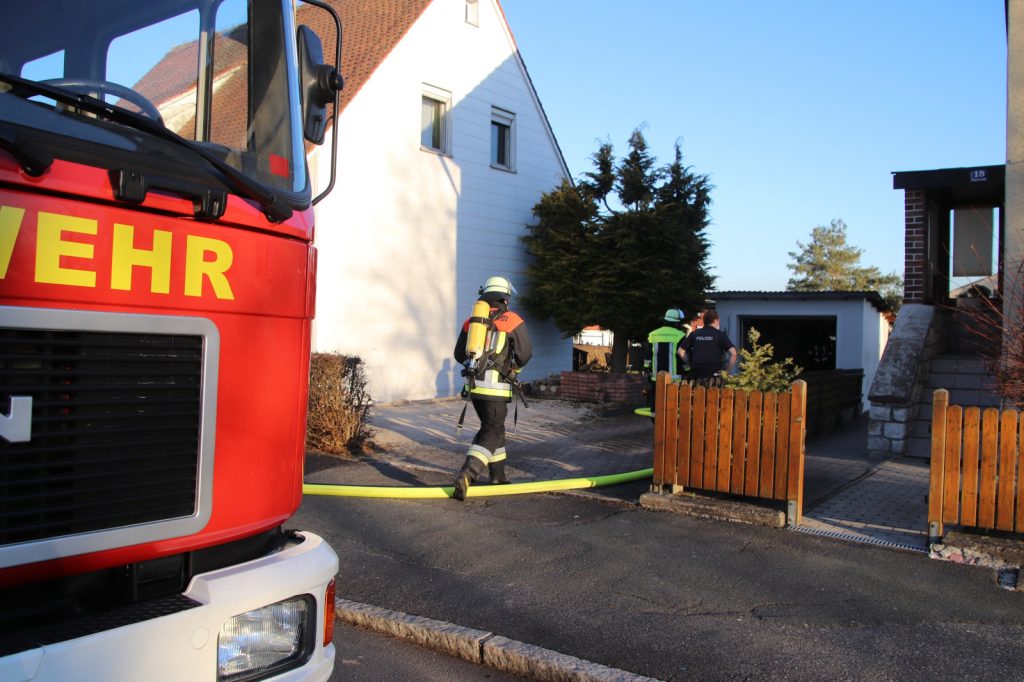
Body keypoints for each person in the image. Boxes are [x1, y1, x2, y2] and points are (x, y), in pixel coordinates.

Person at [451, 275, 532, 501]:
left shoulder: (472, 321)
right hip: (496, 389)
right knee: (492, 431)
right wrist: (513, 367)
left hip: (475, 388)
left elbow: (459, 354)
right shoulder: (512, 319)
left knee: (495, 428)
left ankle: (498, 477)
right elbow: (525, 354)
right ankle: (467, 474)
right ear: (505, 297)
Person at [643, 308, 689, 408]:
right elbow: (684, 358)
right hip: (675, 380)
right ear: (677, 323)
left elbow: (647, 357)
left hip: (656, 379)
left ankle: (656, 422)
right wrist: (688, 371)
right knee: (672, 407)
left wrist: (646, 370)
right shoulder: (681, 336)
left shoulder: (652, 335)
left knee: (656, 407)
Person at [678, 309, 736, 386]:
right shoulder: (720, 335)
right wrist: (726, 373)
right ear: (716, 320)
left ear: (704, 321)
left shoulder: (694, 334)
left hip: (696, 376)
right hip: (714, 378)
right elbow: (733, 354)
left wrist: (690, 363)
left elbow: (680, 352)